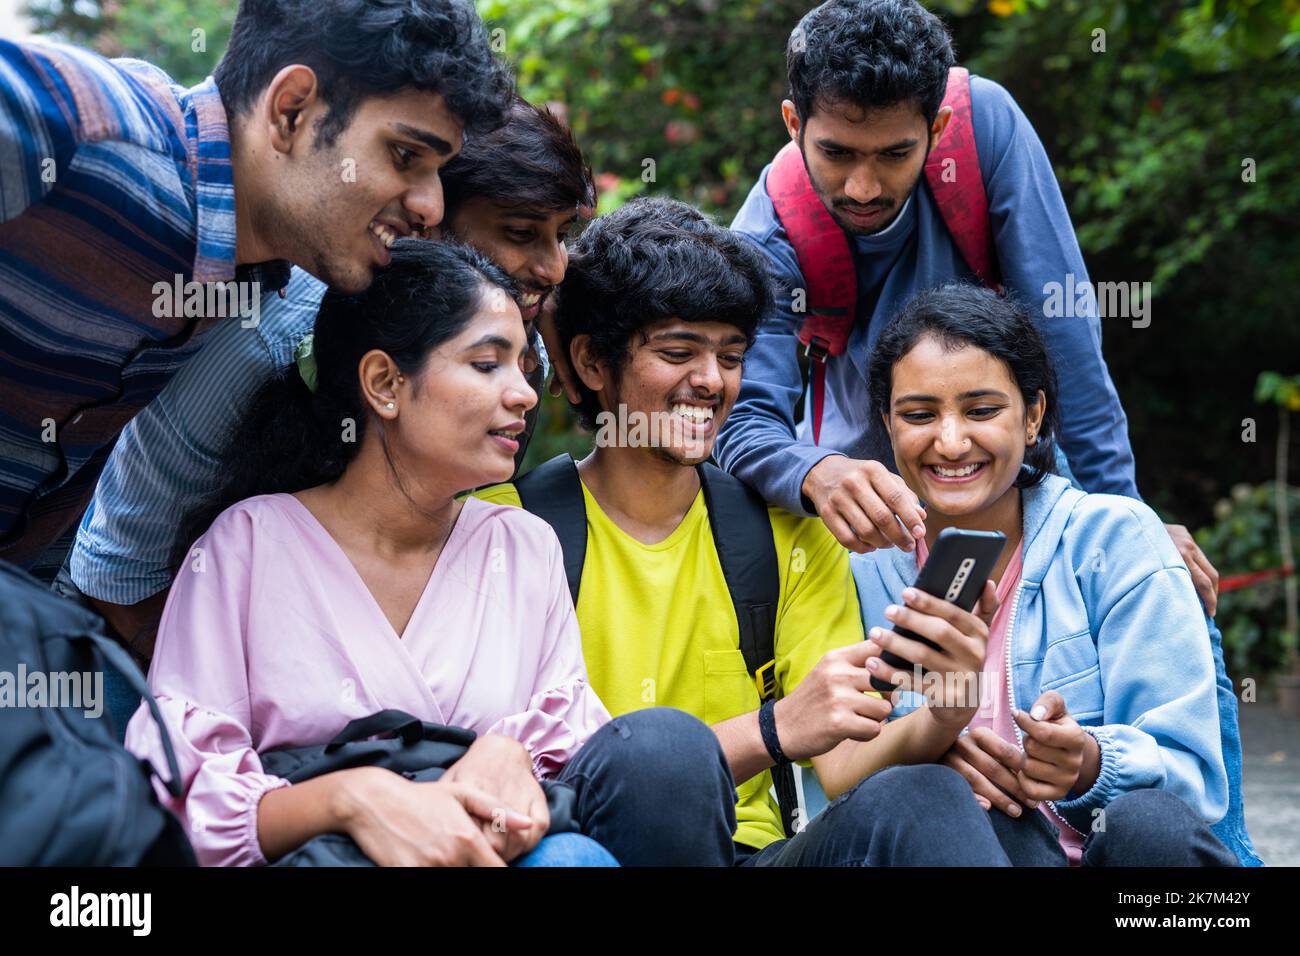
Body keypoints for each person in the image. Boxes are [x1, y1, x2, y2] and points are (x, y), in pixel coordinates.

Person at [124, 239, 736, 867]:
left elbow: (570, 746)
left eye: (523, 365)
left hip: (502, 851)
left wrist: (508, 754)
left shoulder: (522, 546)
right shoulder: (246, 545)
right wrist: (352, 799)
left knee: (630, 791)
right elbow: (180, 793)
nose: (525, 393)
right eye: (486, 364)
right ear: (386, 383)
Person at [475, 197, 1018, 866]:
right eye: (678, 352)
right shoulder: (505, 528)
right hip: (584, 849)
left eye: (730, 357)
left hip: (750, 854)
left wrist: (948, 705)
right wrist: (773, 728)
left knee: (925, 795)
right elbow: (506, 769)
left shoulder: (787, 535)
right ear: (591, 363)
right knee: (662, 752)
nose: (710, 382)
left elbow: (845, 765)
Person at [697, 0, 1220, 614]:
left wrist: (1131, 524)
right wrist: (816, 474)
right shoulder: (766, 237)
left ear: (937, 129)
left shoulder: (984, 133)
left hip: (1020, 491)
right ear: (793, 124)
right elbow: (741, 419)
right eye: (838, 154)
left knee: (1172, 602)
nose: (863, 188)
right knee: (917, 694)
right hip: (879, 530)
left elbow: (1067, 341)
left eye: (894, 154)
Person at [60, 99, 593, 693]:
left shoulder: (523, 348)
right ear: (429, 216)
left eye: (562, 236)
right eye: (521, 234)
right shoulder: (265, 344)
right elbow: (117, 574)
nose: (553, 269)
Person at [0, 0, 513, 582]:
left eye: (438, 173)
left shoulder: (264, 275)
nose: (431, 207)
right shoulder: (88, 130)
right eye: (404, 155)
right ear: (291, 110)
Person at [849, 282, 1239, 866]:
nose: (951, 442)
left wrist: (1088, 764)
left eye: (982, 410)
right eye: (919, 414)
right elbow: (834, 784)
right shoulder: (858, 569)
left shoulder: (1117, 537)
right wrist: (931, 764)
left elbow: (1196, 780)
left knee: (1149, 823)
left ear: (1033, 416)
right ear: (887, 423)